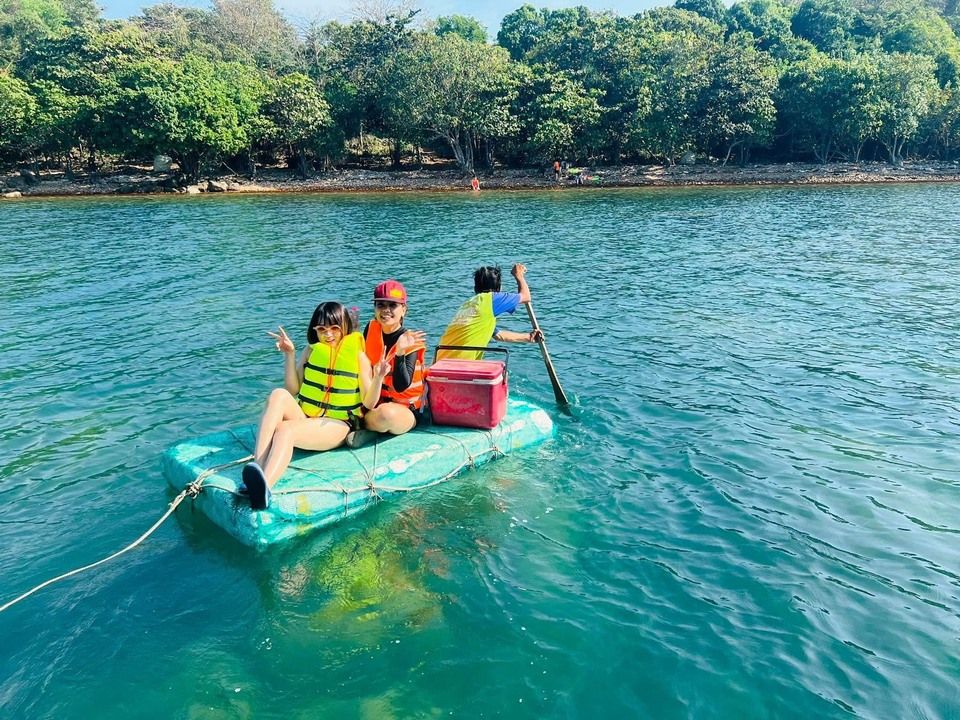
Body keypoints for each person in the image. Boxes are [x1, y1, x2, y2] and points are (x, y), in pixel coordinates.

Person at [242, 301, 389, 510]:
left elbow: (369, 402)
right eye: (322, 329)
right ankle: (257, 469)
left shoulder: (358, 357)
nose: (328, 335)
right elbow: (293, 389)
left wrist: (379, 377)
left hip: (337, 425)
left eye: (334, 329)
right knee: (278, 394)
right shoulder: (311, 351)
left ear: (344, 328)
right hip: (308, 417)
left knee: (285, 429)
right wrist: (290, 354)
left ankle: (265, 486)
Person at [353, 280, 427, 445]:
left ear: (403, 310)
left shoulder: (410, 341)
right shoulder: (371, 329)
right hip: (373, 402)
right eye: (381, 305)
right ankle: (365, 426)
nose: (386, 310)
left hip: (405, 411)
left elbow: (402, 385)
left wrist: (400, 352)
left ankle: (364, 427)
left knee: (386, 415)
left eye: (392, 305)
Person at [437, 264, 542, 361]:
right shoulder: (492, 299)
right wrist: (518, 275)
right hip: (459, 365)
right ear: (499, 288)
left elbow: (498, 335)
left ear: (475, 288)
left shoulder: (470, 305)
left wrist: (529, 337)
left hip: (440, 361)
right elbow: (526, 296)